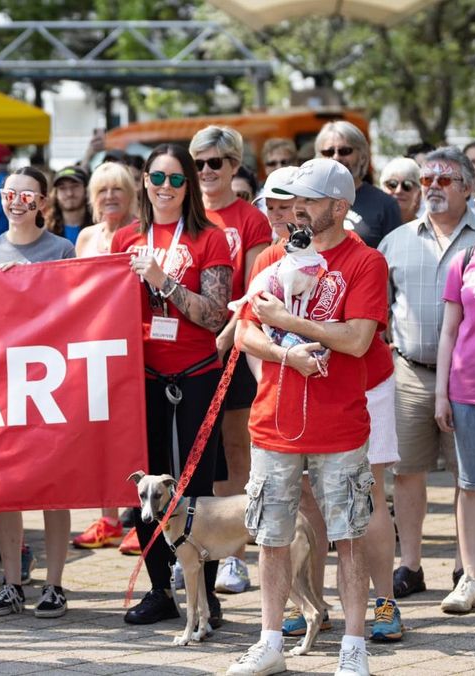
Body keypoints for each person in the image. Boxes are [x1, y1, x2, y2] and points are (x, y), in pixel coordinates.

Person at [228, 158, 387, 676]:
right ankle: (270, 641)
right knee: (271, 538)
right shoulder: (272, 255)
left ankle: (353, 649)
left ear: (340, 207)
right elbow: (247, 332)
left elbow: (359, 339)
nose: (296, 208)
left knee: (348, 537)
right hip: (274, 420)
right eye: (293, 199)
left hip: (339, 424)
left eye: (310, 201)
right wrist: (286, 354)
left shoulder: (365, 262)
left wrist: (290, 324)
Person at [111, 143, 232, 627]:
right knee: (147, 487)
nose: (165, 187)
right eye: (157, 178)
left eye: (177, 179)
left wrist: (164, 282)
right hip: (141, 376)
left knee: (197, 488)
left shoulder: (212, 239)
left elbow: (216, 312)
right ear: (143, 181)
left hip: (197, 373)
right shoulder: (125, 239)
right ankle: (161, 589)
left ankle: (206, 594)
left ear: (190, 187)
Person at [0, 167, 75, 619]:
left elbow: (76, 310)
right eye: (10, 194)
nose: (16, 202)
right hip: (2, 381)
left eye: (27, 196)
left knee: (54, 487)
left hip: (50, 378)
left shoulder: (62, 249)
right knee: (5, 486)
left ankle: (54, 584)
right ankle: (11, 582)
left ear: (42, 203)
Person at [378, 147, 475, 603]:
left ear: (467, 187)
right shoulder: (396, 241)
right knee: (406, 473)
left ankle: (466, 568)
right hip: (410, 372)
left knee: (468, 476)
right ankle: (411, 565)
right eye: (427, 181)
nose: (433, 188)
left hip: (471, 378)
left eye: (444, 180)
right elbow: (379, 312)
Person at [189, 126, 273, 597]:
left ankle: (233, 555)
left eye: (214, 162)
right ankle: (192, 547)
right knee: (194, 454)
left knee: (236, 449)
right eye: (197, 162)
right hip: (182, 352)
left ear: (234, 165)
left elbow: (254, 287)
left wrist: (227, 333)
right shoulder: (182, 215)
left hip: (234, 349)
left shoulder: (249, 219)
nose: (205, 171)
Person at [434, 171, 475, 614]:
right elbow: (449, 332)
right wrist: (441, 394)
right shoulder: (466, 258)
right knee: (472, 486)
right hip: (469, 389)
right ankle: (471, 579)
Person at [72, 161, 138, 549]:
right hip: (93, 346)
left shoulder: (141, 234)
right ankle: (108, 518)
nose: (110, 196)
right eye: (103, 190)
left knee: (133, 432)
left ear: (131, 195)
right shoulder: (85, 238)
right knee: (100, 432)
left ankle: (139, 520)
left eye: (118, 189)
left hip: (132, 345)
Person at [315, 120, 402, 248]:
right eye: (328, 152)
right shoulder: (308, 201)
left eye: (345, 151)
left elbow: (396, 257)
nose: (336, 157)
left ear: (362, 156)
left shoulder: (385, 205)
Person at [45, 165, 92, 244]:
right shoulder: (46, 231)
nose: (69, 193)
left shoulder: (100, 228)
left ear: (86, 190)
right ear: (56, 194)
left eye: (75, 186)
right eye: (62, 188)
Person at [379, 158, 422, 224]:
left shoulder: (426, 231)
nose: (398, 191)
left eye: (407, 185)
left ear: (419, 194)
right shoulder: (372, 229)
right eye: (392, 184)